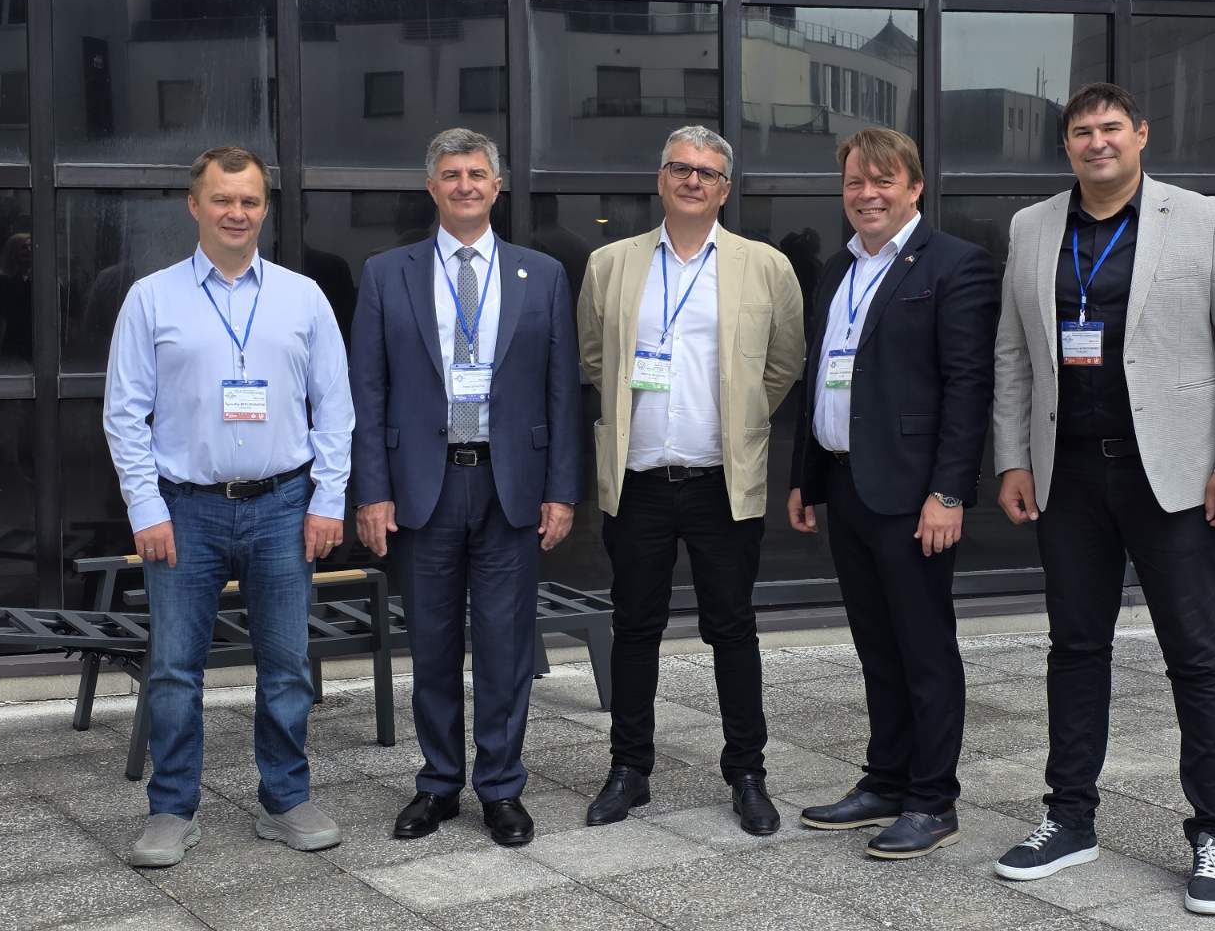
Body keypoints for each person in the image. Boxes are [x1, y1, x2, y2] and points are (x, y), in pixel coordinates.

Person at [990, 82, 1215, 916]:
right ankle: (1069, 819)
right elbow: (1013, 353)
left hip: (1174, 479)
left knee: (1197, 656)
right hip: (1069, 476)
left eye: (1111, 127)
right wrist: (1012, 459)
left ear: (1141, 135)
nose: (1097, 141)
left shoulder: (1202, 219)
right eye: (1082, 131)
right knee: (1075, 649)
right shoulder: (1032, 227)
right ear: (1066, 145)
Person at [103, 145, 353, 868]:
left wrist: (327, 498)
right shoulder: (151, 297)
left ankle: (286, 799)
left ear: (264, 209)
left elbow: (334, 409)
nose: (236, 212)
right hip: (185, 510)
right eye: (222, 199)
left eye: (249, 200)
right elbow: (124, 413)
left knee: (287, 664)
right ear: (195, 206)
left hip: (283, 506)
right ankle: (171, 808)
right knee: (174, 669)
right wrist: (145, 509)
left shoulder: (303, 297)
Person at [349, 127, 581, 848]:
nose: (465, 185)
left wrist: (562, 490)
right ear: (432, 187)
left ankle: (502, 787)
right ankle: (439, 783)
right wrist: (371, 492)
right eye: (451, 174)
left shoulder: (542, 275)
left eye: (477, 174)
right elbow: (368, 391)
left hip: (511, 487)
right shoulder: (387, 274)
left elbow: (562, 392)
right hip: (425, 487)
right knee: (433, 644)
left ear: (497, 186)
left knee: (507, 647)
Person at [577, 126, 805, 835]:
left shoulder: (764, 266)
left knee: (732, 628)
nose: (692, 180)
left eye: (707, 172)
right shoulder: (610, 264)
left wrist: (739, 416)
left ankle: (747, 773)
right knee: (634, 626)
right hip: (639, 479)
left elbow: (784, 362)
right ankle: (628, 769)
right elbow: (595, 358)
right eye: (680, 167)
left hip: (720, 480)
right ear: (661, 178)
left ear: (725, 188)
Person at [788, 126, 998, 860]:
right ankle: (885, 779)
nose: (867, 194)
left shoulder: (955, 264)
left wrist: (949, 492)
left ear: (914, 187)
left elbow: (968, 387)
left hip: (913, 495)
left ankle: (932, 798)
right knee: (877, 645)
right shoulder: (838, 268)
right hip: (847, 484)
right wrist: (806, 476)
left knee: (924, 648)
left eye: (883, 181)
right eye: (855, 182)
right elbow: (822, 373)